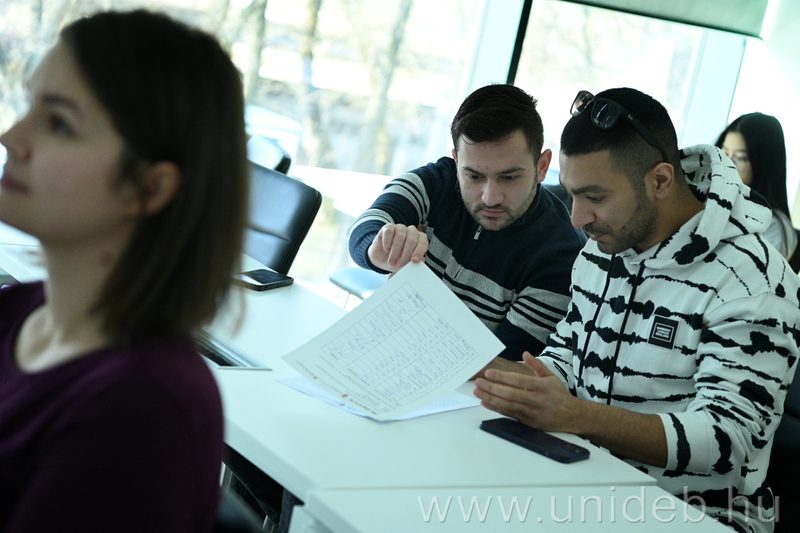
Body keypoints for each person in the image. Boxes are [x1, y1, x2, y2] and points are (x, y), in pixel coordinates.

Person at [474, 88, 800, 533]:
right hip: (585, 474)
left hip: (702, 510)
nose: (577, 218)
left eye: (594, 197)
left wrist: (575, 415)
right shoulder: (602, 248)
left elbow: (729, 440)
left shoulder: (753, 278)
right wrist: (485, 370)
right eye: (572, 194)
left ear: (661, 181)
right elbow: (569, 356)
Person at [0, 10, 249, 532]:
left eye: (59, 123)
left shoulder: (143, 410)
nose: (11, 137)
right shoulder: (15, 310)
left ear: (150, 188)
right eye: (29, 106)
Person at [347, 84, 586, 374]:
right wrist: (379, 250)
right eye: (473, 176)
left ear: (542, 166)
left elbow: (497, 363)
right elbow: (365, 227)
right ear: (457, 161)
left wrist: (412, 306)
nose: (490, 197)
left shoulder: (561, 255)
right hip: (382, 361)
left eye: (509, 177)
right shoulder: (438, 181)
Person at [716, 112, 798, 263]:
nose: (727, 165)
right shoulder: (718, 200)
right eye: (724, 153)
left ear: (763, 165)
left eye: (740, 158)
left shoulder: (772, 227)